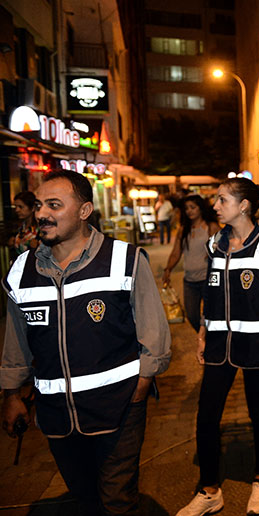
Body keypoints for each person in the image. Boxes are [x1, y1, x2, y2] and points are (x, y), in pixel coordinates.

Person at [1, 170, 171, 515]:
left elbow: (154, 332)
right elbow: (16, 340)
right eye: (38, 205)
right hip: (56, 415)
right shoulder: (22, 270)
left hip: (118, 408)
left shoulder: (124, 259)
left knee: (117, 501)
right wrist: (11, 394)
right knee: (84, 497)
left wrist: (142, 384)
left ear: (84, 211)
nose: (41, 214)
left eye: (54, 205)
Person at [177, 177, 259, 516]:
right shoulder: (216, 243)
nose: (215, 206)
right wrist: (203, 332)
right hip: (219, 344)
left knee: (258, 409)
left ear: (243, 205)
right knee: (206, 415)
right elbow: (210, 292)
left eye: (222, 200)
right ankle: (209, 489)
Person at [163, 194, 220, 332]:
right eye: (187, 208)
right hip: (189, 281)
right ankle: (205, 338)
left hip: (208, 279)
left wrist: (214, 252)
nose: (189, 211)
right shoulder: (183, 230)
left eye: (192, 207)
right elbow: (176, 252)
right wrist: (168, 269)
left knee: (211, 314)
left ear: (200, 208)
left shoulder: (211, 227)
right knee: (192, 315)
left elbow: (223, 247)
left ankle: (209, 342)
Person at [10, 191, 39, 259]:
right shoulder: (19, 228)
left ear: (32, 208)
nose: (17, 210)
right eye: (15, 207)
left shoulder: (40, 229)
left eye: (20, 207)